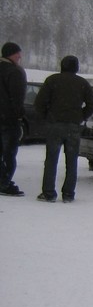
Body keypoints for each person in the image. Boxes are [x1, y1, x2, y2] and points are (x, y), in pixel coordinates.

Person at [34, 55, 93, 203]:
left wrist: (47, 116)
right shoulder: (82, 83)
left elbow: (39, 103)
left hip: (55, 124)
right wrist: (80, 116)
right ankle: (69, 193)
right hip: (73, 126)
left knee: (51, 159)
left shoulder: (52, 80)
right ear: (76, 67)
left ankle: (49, 192)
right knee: (71, 160)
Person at [0, 42, 27, 196]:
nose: (20, 56)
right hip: (8, 119)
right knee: (9, 152)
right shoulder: (14, 72)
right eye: (18, 53)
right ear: (11, 54)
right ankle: (4, 183)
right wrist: (19, 115)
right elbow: (17, 98)